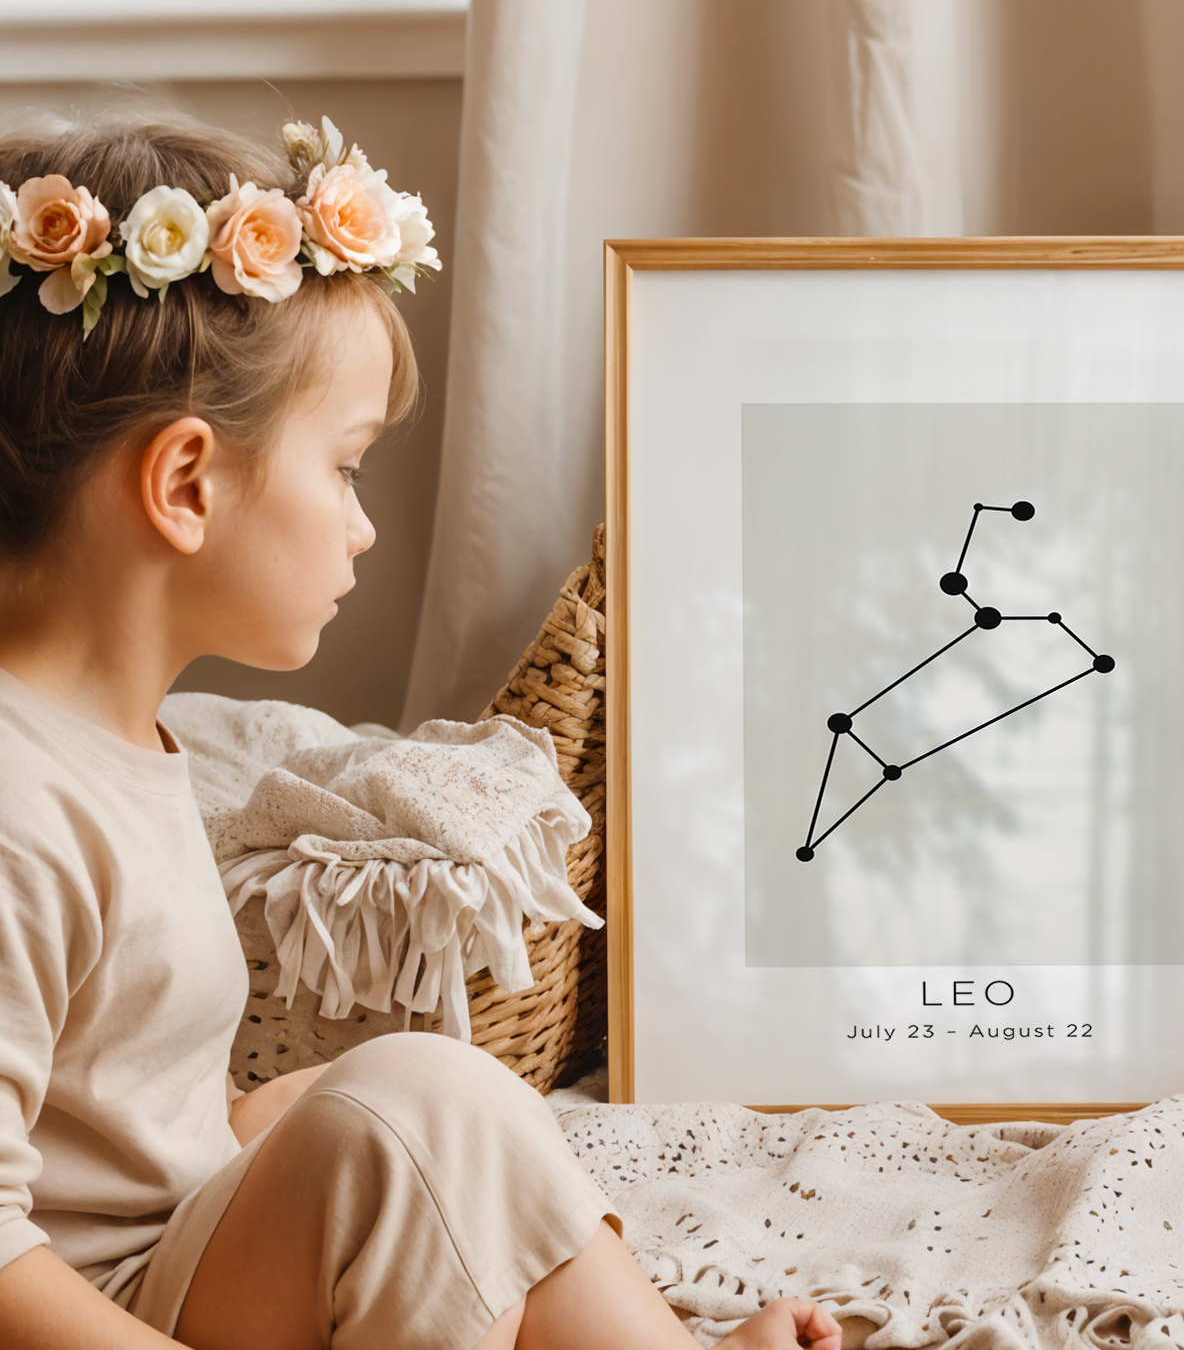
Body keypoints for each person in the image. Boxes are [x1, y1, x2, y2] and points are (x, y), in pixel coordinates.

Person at [0, 111, 841, 1350]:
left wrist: (297, 1123)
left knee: (393, 1093)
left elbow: (122, 1133)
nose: (362, 527)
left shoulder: (130, 740)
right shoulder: (20, 808)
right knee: (410, 1102)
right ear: (186, 485)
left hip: (160, 1255)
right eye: (343, 468)